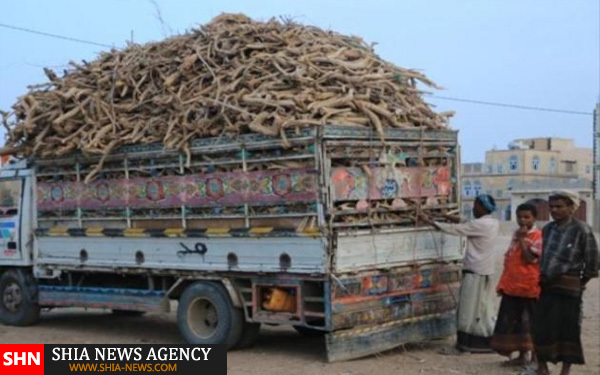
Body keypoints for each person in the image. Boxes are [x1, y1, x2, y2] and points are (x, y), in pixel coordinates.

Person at [421, 194, 499, 353]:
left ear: (482, 207)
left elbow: (457, 229)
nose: (473, 208)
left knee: (467, 310)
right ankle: (482, 342)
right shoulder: (492, 222)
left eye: (476, 205)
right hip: (484, 270)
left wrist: (430, 222)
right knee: (481, 309)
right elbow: (465, 222)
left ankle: (465, 345)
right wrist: (446, 216)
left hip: (475, 271)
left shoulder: (479, 225)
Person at [533, 191, 599, 375]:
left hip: (569, 288)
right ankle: (542, 366)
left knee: (568, 328)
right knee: (542, 326)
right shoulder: (547, 229)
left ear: (571, 208)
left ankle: (565, 370)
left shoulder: (582, 229)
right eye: (552, 206)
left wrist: (580, 282)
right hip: (546, 286)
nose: (554, 210)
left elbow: (592, 262)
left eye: (559, 206)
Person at [491, 203, 542, 366]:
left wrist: (522, 239)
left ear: (534, 218)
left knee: (531, 323)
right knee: (515, 322)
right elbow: (510, 260)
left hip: (530, 287)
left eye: (527, 217)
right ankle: (521, 356)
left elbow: (529, 259)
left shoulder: (538, 236)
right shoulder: (515, 234)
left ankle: (534, 358)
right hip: (513, 287)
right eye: (520, 217)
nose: (522, 220)